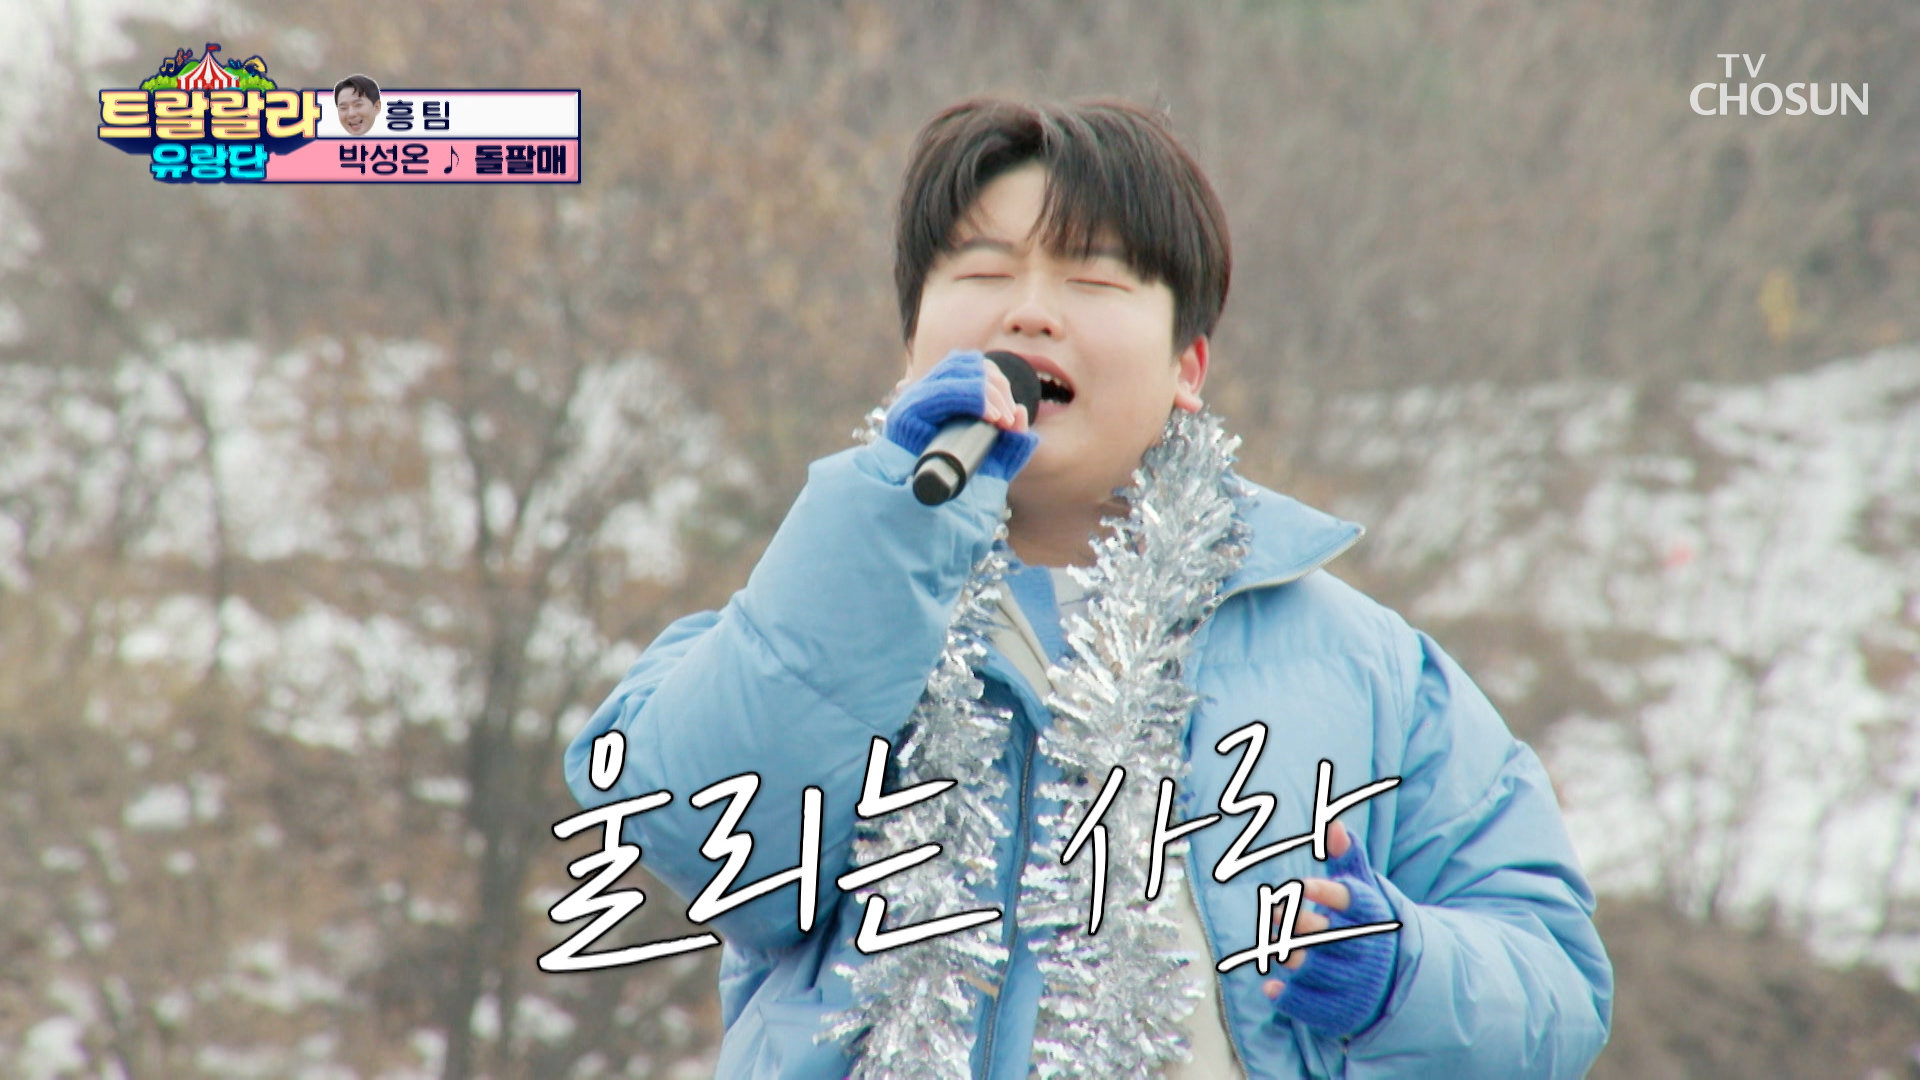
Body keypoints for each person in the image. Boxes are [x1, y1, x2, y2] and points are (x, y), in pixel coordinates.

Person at [564, 97, 1613, 1078]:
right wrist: (881, 529)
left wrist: (1402, 976)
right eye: (983, 272)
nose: (1030, 312)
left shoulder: (1363, 667)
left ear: (1187, 367)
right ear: (912, 344)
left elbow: (1558, 986)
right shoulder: (803, 605)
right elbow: (706, 842)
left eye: (1093, 279)